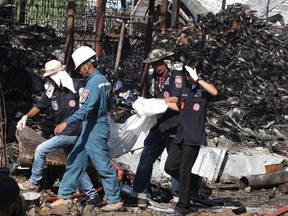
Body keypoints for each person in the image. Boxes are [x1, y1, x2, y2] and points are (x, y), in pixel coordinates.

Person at [16, 59, 101, 205]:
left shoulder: (77, 86)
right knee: (75, 164)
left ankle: (34, 181)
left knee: (41, 149)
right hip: (65, 133)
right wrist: (26, 116)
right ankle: (93, 196)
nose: (50, 79)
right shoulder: (51, 91)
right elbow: (39, 107)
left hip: (74, 131)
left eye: (51, 76)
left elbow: (87, 106)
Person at [53, 46, 123, 212]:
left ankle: (114, 200)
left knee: (102, 165)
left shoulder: (94, 82)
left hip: (95, 128)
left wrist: (66, 122)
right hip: (91, 127)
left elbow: (87, 108)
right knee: (75, 161)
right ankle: (64, 197)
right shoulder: (103, 80)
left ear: (87, 64)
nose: (80, 73)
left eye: (80, 69)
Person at [126, 48, 185, 206]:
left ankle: (178, 197)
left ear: (165, 62)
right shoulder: (154, 78)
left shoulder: (176, 76)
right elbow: (155, 96)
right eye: (153, 64)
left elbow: (176, 98)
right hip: (158, 125)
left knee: (173, 163)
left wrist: (158, 102)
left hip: (173, 124)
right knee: (146, 157)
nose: (155, 67)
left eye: (157, 64)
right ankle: (139, 193)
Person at [164, 59, 218, 216]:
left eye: (190, 74)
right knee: (170, 167)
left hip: (193, 136)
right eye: (186, 74)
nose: (187, 77)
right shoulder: (185, 88)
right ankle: (196, 182)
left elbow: (215, 92)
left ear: (198, 72)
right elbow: (179, 105)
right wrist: (160, 104)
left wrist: (198, 79)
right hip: (180, 134)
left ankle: (183, 206)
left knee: (184, 170)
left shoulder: (203, 89)